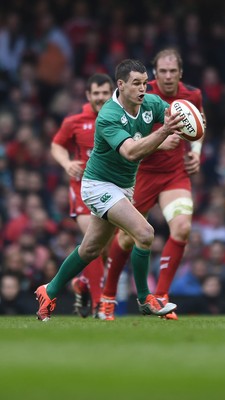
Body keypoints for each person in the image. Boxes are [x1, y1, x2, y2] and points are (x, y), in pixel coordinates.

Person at [35, 58, 183, 321]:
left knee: (91, 249)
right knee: (145, 233)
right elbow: (130, 152)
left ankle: (50, 290)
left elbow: (174, 114)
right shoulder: (109, 115)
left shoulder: (149, 103)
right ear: (121, 85)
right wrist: (162, 135)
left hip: (124, 187)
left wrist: (190, 122)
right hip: (98, 185)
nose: (142, 89)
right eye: (136, 84)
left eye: (144, 83)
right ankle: (146, 299)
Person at [98, 48, 205, 321]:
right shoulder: (142, 92)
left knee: (182, 229)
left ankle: (161, 297)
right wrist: (161, 140)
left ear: (181, 73)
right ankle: (107, 297)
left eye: (173, 71)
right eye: (163, 71)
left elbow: (199, 124)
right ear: (155, 73)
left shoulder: (192, 95)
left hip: (174, 174)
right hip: (141, 174)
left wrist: (195, 153)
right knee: (125, 238)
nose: (168, 76)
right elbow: (131, 138)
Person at [51, 73, 114, 317]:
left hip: (111, 189)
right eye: (96, 93)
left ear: (112, 94)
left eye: (104, 93)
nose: (100, 97)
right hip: (82, 188)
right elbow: (56, 144)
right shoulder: (75, 121)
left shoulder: (121, 118)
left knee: (108, 249)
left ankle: (84, 283)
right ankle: (100, 304)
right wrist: (66, 164)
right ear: (88, 95)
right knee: (94, 242)